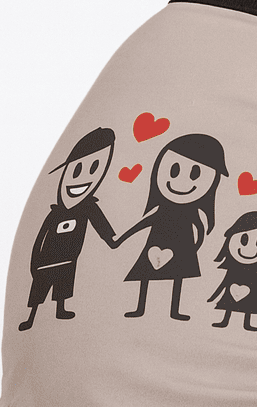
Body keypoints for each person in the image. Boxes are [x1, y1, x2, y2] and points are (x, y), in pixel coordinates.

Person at [115, 133, 228, 321]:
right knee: (146, 274)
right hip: (159, 241)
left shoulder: (190, 211)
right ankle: (140, 308)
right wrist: (121, 239)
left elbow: (199, 227)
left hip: (183, 244)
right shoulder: (163, 209)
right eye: (174, 170)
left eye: (195, 174)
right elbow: (146, 222)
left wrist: (196, 245)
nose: (182, 181)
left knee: (178, 277)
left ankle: (174, 311)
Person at [19, 127, 116, 331]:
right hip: (46, 261)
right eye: (77, 170)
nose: (83, 177)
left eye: (94, 168)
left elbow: (100, 223)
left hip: (69, 259)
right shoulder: (56, 212)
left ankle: (60, 309)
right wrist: (35, 262)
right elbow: (41, 236)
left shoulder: (88, 207)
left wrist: (111, 239)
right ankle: (32, 317)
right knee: (39, 291)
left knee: (63, 287)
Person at [209, 210, 257, 330]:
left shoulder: (255, 271)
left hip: (250, 291)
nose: (250, 249)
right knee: (230, 304)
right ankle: (225, 321)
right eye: (244, 239)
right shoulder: (233, 268)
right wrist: (213, 296)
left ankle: (246, 324)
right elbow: (224, 283)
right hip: (234, 289)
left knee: (248, 306)